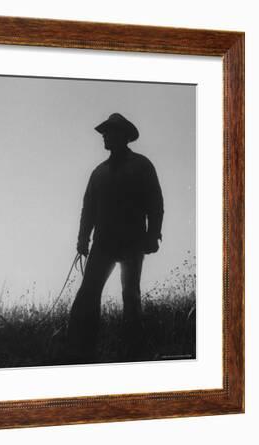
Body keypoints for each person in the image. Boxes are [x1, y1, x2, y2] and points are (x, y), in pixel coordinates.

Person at [67, 113, 164, 362]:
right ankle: (81, 352)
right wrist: (82, 239)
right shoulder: (98, 173)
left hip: (133, 243)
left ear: (122, 136)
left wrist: (153, 235)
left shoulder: (142, 165)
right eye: (104, 133)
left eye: (108, 132)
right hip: (103, 244)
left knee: (130, 296)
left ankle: (133, 353)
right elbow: (88, 208)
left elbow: (155, 203)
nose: (104, 136)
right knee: (88, 294)